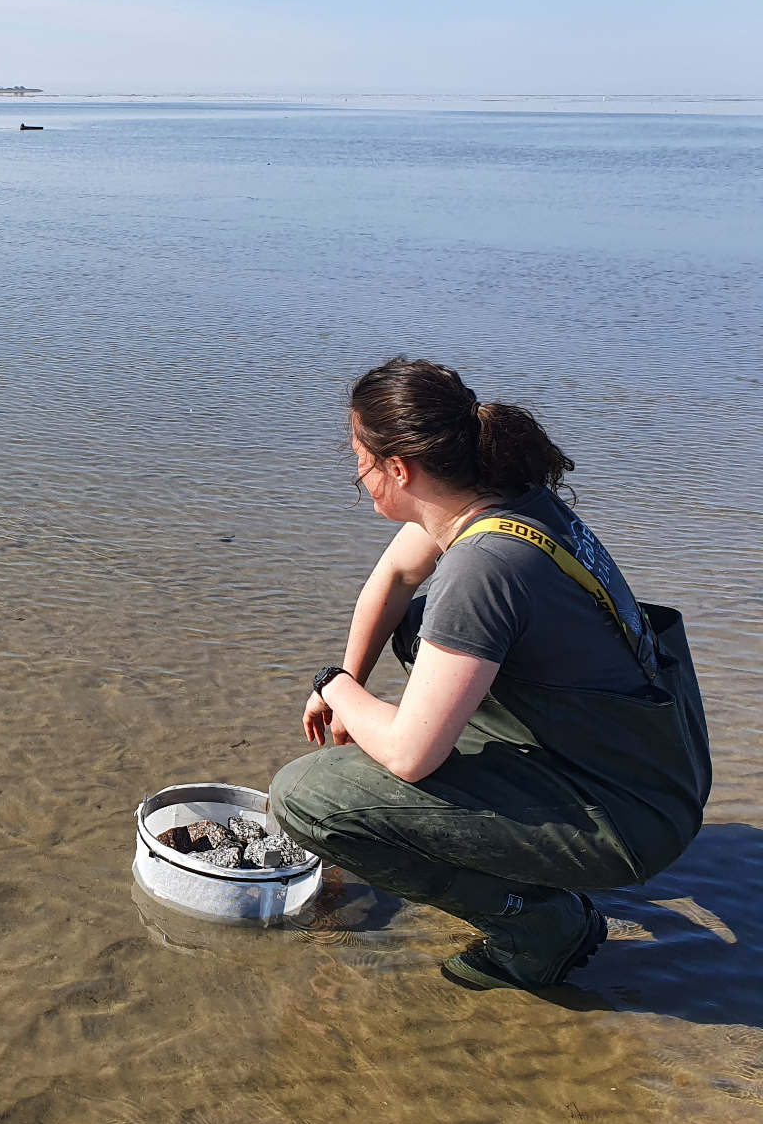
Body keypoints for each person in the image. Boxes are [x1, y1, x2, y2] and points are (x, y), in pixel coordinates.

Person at [271, 357, 710, 991]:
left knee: (307, 797)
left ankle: (537, 924)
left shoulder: (484, 568)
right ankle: (521, 839)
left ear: (400, 468)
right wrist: (353, 679)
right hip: (654, 768)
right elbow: (392, 579)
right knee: (418, 624)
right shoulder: (498, 499)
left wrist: (331, 687)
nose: (359, 476)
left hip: (630, 818)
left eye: (359, 460)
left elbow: (409, 756)